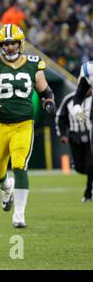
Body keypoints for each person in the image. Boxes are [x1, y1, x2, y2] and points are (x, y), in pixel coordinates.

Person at [0, 23, 56, 228]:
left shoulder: (34, 64)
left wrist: (49, 102)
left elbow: (45, 91)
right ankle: (6, 186)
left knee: (20, 166)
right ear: (1, 45)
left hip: (23, 124)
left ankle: (19, 215)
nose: (10, 47)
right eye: (6, 43)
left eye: (13, 43)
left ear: (21, 44)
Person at [56, 89, 92, 202]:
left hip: (91, 136)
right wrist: (62, 134)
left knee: (91, 165)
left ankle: (88, 194)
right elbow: (60, 117)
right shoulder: (69, 99)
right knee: (79, 167)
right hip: (75, 137)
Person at [65, 61, 93, 202]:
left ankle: (89, 192)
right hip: (79, 134)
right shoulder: (89, 69)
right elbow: (79, 95)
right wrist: (77, 109)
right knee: (87, 165)